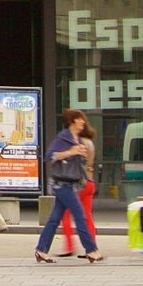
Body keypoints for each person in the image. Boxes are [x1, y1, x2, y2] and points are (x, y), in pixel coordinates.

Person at [35, 108, 100, 262]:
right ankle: (91, 249)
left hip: (71, 184)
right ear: (72, 121)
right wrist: (71, 152)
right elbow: (50, 156)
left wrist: (81, 155)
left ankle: (41, 249)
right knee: (80, 215)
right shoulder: (63, 137)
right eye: (79, 119)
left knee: (55, 218)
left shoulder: (77, 139)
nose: (83, 122)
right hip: (62, 184)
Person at [57, 123, 99, 257]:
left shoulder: (79, 143)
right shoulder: (90, 143)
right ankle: (91, 247)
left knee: (65, 214)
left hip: (78, 183)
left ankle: (69, 246)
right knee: (87, 216)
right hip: (90, 182)